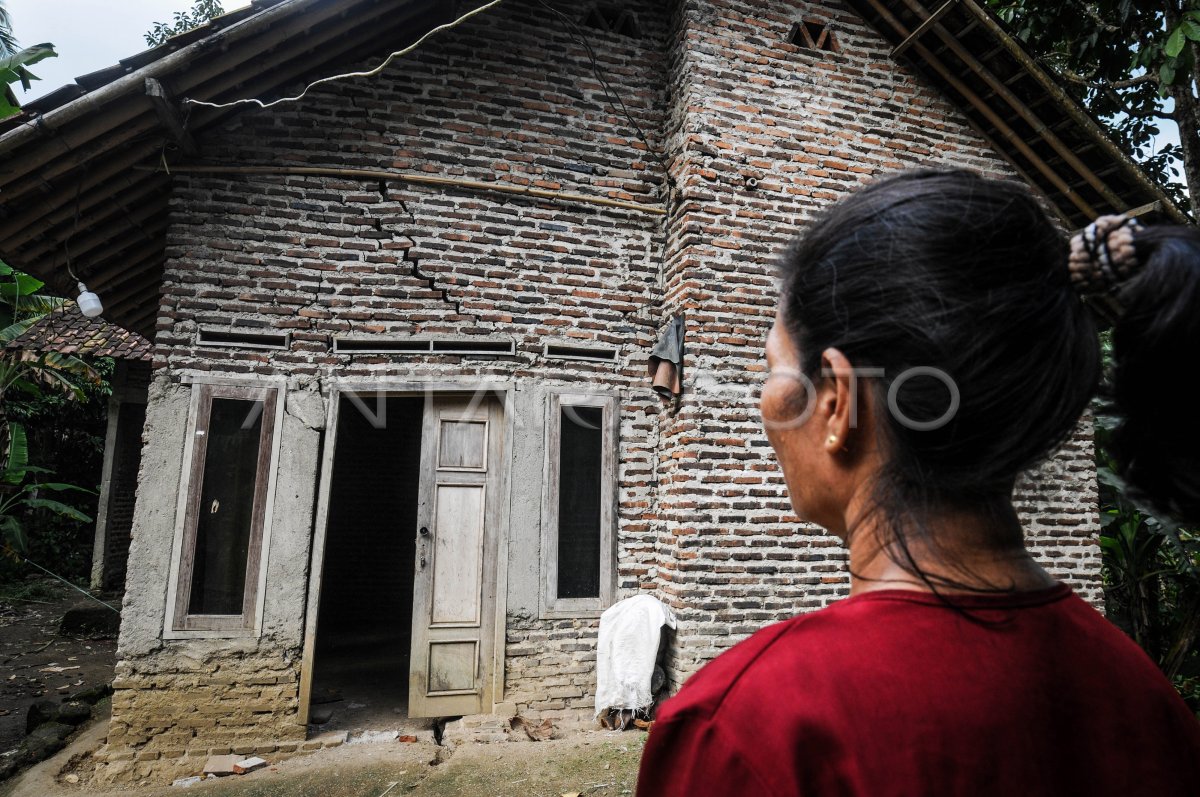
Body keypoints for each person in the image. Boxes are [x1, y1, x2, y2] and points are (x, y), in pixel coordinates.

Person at [635, 169, 1200, 796]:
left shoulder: (748, 728)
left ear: (837, 402)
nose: (763, 398)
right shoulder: (1145, 699)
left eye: (773, 367)